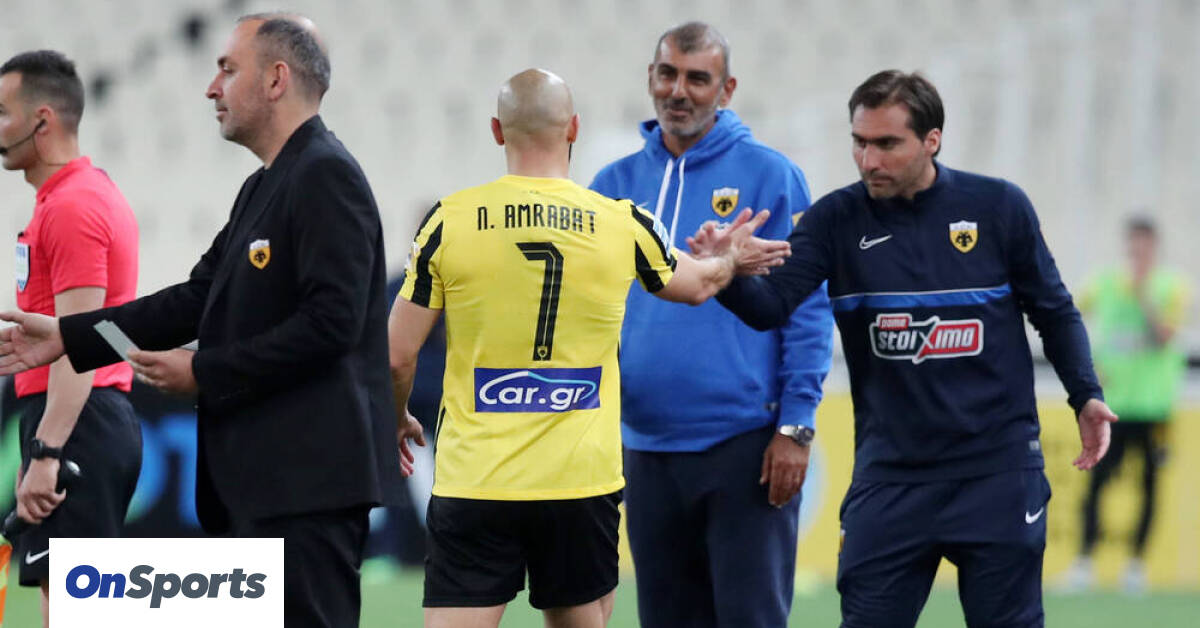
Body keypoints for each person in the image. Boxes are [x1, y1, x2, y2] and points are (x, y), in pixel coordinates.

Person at [0, 14, 401, 627]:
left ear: (276, 79)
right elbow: (194, 299)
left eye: (227, 70)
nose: (212, 88)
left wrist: (204, 372)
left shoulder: (326, 174)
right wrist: (70, 337)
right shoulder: (263, 186)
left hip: (308, 481)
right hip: (263, 482)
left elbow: (332, 325)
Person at [691, 70, 1119, 628]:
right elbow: (771, 307)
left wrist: (1085, 393)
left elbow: (1055, 311)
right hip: (890, 478)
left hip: (996, 473)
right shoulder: (836, 219)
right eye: (859, 143)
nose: (869, 160)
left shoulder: (998, 207)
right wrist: (725, 272)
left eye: (887, 144)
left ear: (931, 140)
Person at [388, 68, 787, 628]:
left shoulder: (448, 221)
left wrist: (399, 415)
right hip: (580, 481)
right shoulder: (622, 222)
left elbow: (396, 356)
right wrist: (730, 258)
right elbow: (699, 285)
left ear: (497, 131)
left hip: (477, 480)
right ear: (573, 128)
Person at [588, 21, 833, 628]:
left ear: (727, 89)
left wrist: (796, 426)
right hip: (643, 447)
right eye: (668, 74)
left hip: (744, 444)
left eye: (698, 79)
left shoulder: (772, 175)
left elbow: (806, 310)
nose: (679, 91)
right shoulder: (611, 187)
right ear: (650, 77)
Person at [0, 49, 141, 627]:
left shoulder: (73, 206)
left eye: (2, 113)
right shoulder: (68, 198)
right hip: (74, 419)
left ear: (42, 120)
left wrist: (48, 451)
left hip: (80, 421)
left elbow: (81, 345)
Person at [1061, 216, 1191, 594]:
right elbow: (1065, 315)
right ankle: (1084, 562)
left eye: (1144, 245)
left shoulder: (1172, 286)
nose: (1137, 252)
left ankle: (1136, 566)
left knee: (1148, 484)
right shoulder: (1105, 282)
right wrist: (1087, 365)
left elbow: (1165, 336)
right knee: (1097, 482)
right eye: (1133, 245)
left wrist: (1143, 295)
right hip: (1112, 405)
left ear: (1154, 247)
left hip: (1154, 406)